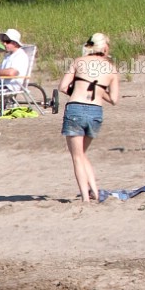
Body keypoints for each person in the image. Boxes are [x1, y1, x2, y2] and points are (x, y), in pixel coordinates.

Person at [57, 33, 121, 204]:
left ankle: (85, 197)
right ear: (105, 48)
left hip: (76, 108)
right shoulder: (111, 68)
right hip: (96, 111)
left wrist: (78, 89)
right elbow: (114, 99)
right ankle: (95, 191)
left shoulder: (79, 61)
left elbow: (62, 87)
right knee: (82, 154)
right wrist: (99, 90)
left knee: (77, 157)